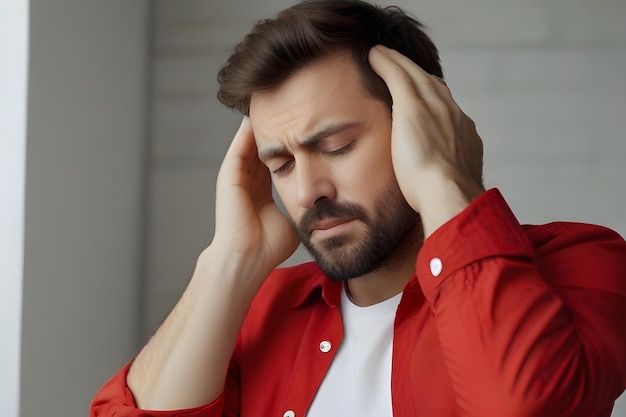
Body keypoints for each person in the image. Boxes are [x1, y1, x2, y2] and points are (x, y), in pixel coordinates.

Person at [90, 1, 626, 416]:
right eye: (281, 164)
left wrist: (444, 180)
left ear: (424, 121)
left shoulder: (582, 263)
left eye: (337, 146)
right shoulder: (262, 311)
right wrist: (231, 259)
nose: (308, 191)